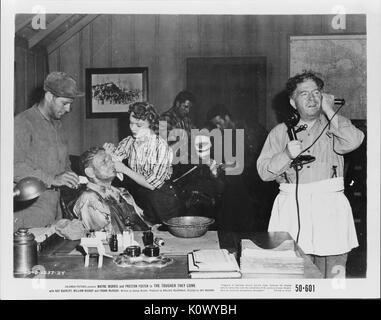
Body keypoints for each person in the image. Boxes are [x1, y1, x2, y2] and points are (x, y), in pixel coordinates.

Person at [256, 71, 364, 278]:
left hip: (329, 208)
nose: (312, 98)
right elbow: (263, 173)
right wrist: (286, 154)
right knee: (294, 274)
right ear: (293, 102)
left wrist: (329, 110)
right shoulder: (280, 133)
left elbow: (354, 141)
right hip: (292, 208)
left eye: (317, 93)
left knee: (333, 276)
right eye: (304, 94)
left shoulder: (335, 125)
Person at [14, 71, 83, 230]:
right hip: (29, 209)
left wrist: (69, 176)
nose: (68, 109)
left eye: (70, 104)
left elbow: (63, 163)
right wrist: (52, 179)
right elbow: (13, 166)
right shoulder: (22, 123)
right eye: (64, 103)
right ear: (49, 96)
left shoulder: (57, 125)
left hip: (55, 208)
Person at [103, 102, 184, 224]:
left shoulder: (160, 146)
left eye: (139, 125)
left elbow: (152, 184)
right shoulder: (130, 141)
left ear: (151, 124)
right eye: (131, 123)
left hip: (163, 198)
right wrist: (107, 154)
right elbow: (115, 159)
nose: (133, 128)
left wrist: (125, 169)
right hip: (142, 195)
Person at [205, 104, 270, 232]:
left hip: (255, 182)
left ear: (227, 117)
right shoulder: (225, 134)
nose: (218, 127)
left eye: (219, 123)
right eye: (215, 125)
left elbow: (259, 157)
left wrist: (235, 165)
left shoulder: (249, 129)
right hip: (237, 181)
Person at [73, 147, 149, 233]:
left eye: (111, 160)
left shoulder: (122, 192)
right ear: (90, 172)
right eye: (104, 162)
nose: (112, 163)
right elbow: (102, 237)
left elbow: (143, 220)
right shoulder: (89, 198)